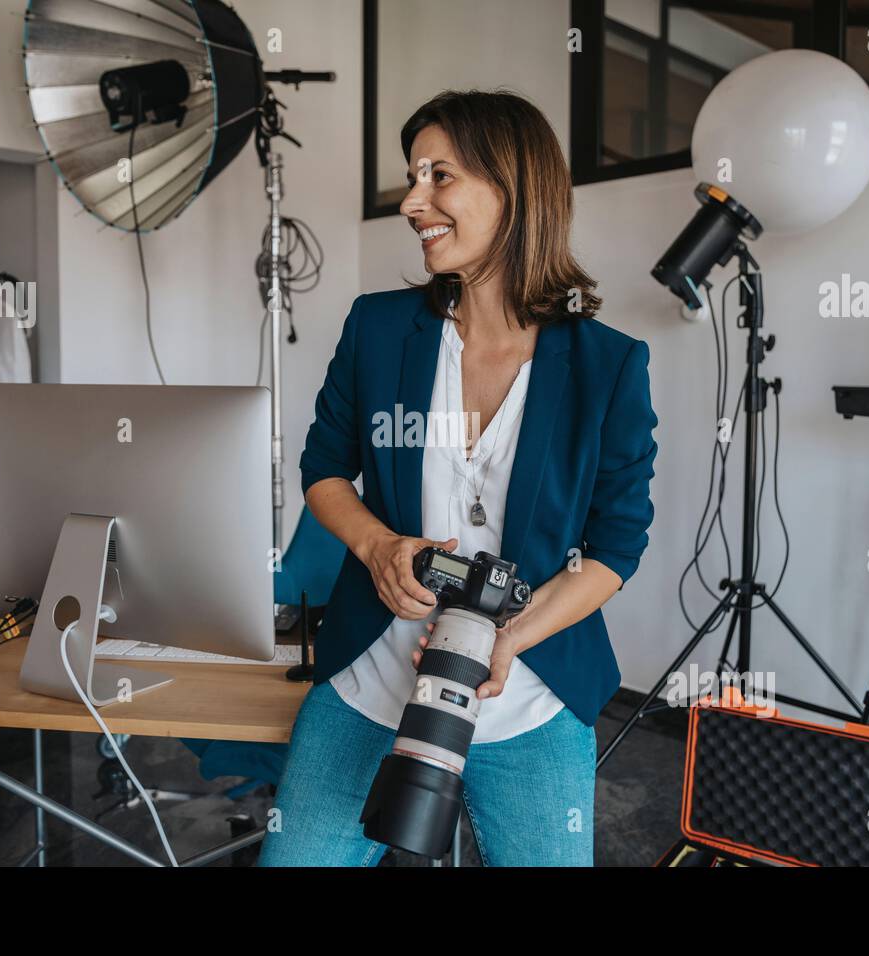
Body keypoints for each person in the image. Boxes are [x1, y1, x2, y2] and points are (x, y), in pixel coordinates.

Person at [258, 89, 658, 867]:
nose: (413, 202)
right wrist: (376, 546)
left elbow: (616, 545)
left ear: (514, 189)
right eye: (414, 178)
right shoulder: (378, 329)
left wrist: (512, 638)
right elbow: (324, 467)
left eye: (439, 177)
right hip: (371, 679)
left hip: (532, 690)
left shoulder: (606, 365)